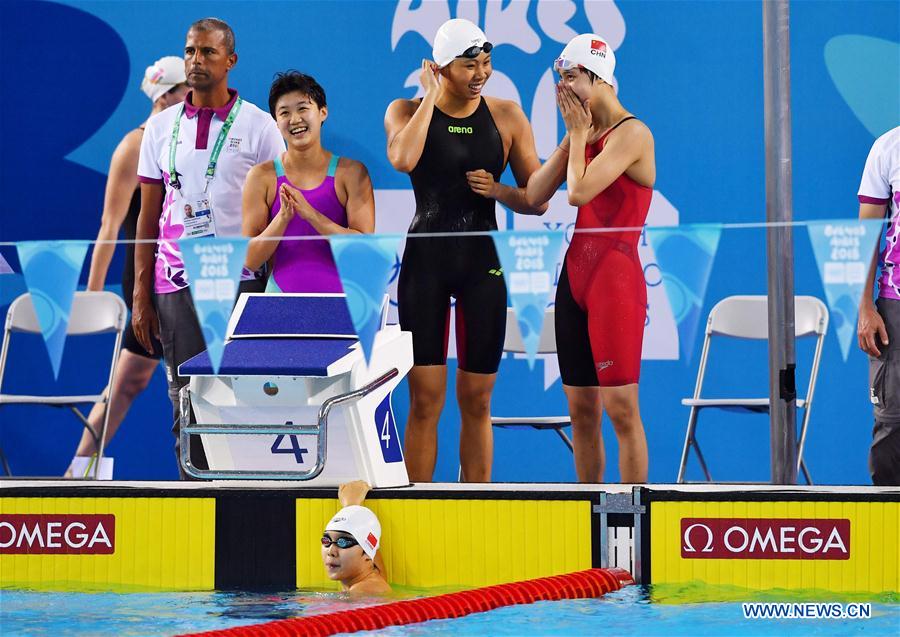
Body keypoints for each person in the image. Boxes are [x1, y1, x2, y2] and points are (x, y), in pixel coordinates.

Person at [384, 18, 547, 483]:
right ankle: (417, 505)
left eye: (486, 63)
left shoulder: (507, 116)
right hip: (425, 267)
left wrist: (499, 192)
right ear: (439, 68)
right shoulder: (405, 110)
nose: (481, 74)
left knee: (477, 400)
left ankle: (475, 502)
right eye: (469, 65)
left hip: (482, 266)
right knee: (426, 398)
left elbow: (537, 200)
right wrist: (430, 97)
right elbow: (403, 159)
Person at [133, 18, 284, 477]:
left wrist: (277, 288)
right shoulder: (160, 129)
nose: (197, 61)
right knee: (185, 394)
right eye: (190, 52)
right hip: (175, 278)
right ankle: (194, 495)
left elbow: (281, 214)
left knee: (245, 393)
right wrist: (142, 293)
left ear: (230, 61)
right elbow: (147, 216)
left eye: (207, 53)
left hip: (243, 279)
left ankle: (249, 492)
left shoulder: (260, 127)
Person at [526, 34, 653, 483]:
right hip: (574, 281)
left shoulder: (632, 133)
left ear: (598, 77)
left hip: (614, 281)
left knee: (620, 409)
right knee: (581, 411)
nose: (563, 90)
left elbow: (578, 193)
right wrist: (572, 140)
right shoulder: (584, 135)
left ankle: (632, 520)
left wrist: (577, 136)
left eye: (571, 78)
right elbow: (535, 193)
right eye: (560, 79)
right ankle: (591, 512)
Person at [65, 56, 188, 477]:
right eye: (188, 89)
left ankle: (211, 474)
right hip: (148, 280)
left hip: (189, 276)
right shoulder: (135, 145)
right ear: (168, 94)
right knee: (134, 382)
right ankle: (78, 472)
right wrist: (93, 298)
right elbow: (109, 227)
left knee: (138, 381)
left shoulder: (185, 137)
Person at [243, 72, 375, 292]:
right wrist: (283, 218)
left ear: (323, 112)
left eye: (303, 108)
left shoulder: (351, 173)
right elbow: (250, 259)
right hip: (281, 300)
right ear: (276, 123)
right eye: (284, 113)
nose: (295, 120)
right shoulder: (261, 177)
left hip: (343, 302)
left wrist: (312, 215)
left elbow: (362, 251)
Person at [857, 125, 900, 486]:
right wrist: (864, 306)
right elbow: (864, 236)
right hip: (894, 308)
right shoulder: (888, 148)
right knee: (891, 428)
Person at [322, 481, 391, 596]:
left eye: (342, 542)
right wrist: (351, 508)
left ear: (367, 554)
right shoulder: (372, 580)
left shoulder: (362, 592)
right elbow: (371, 546)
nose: (331, 552)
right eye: (326, 541)